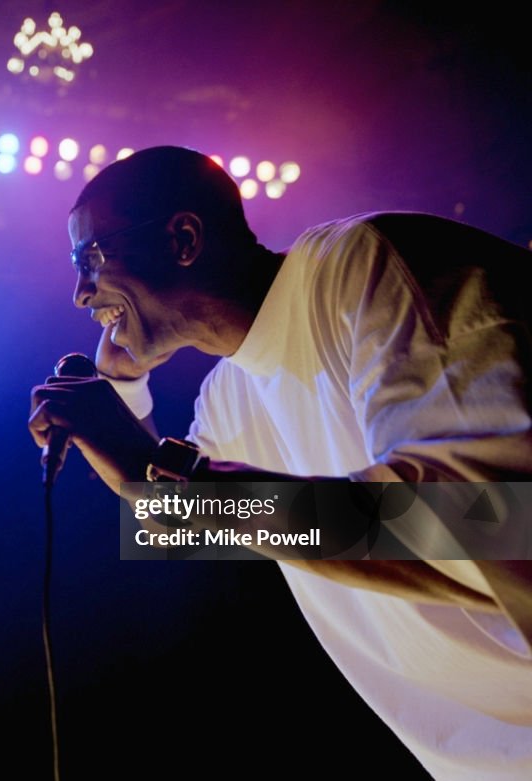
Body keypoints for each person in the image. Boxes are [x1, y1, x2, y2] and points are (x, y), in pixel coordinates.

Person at [28, 145, 532, 779]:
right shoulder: (229, 395)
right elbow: (179, 521)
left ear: (184, 239)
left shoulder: (367, 265)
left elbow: (487, 524)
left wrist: (149, 463)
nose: (80, 295)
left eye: (91, 258)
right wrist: (123, 391)